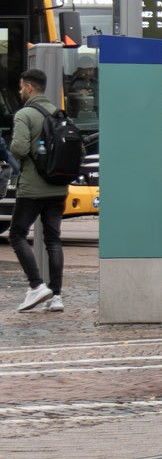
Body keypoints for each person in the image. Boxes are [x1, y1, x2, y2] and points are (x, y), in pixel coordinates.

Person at [9, 68, 66, 313]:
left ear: (29, 88)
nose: (20, 91)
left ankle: (36, 285)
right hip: (58, 188)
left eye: (21, 86)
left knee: (17, 234)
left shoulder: (25, 114)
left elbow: (19, 148)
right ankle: (57, 297)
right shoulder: (59, 114)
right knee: (53, 240)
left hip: (32, 188)